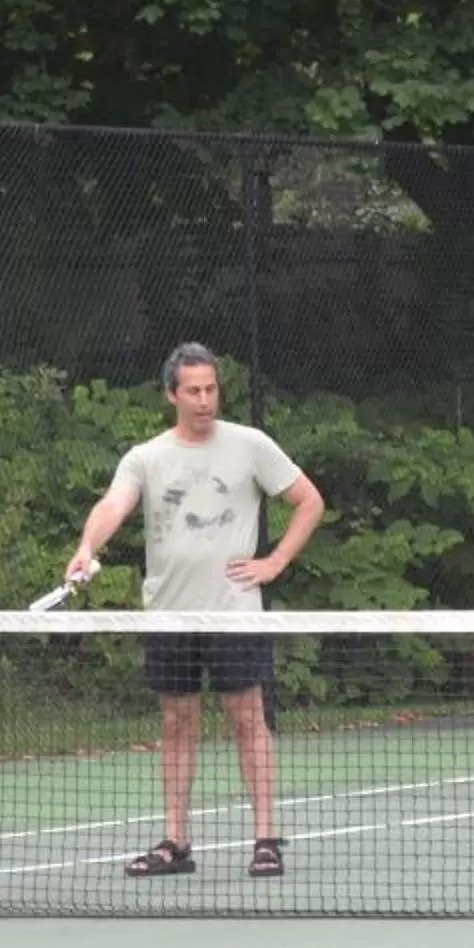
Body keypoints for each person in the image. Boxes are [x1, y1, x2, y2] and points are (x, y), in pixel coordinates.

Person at [68, 343, 324, 878]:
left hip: (233, 612)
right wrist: (87, 547)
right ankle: (176, 843)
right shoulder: (146, 457)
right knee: (177, 723)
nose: (204, 400)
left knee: (248, 719)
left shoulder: (251, 445)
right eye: (193, 391)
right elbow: (114, 504)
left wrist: (275, 561)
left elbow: (309, 500)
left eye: (210, 389)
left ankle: (265, 840)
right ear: (172, 395)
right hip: (169, 615)